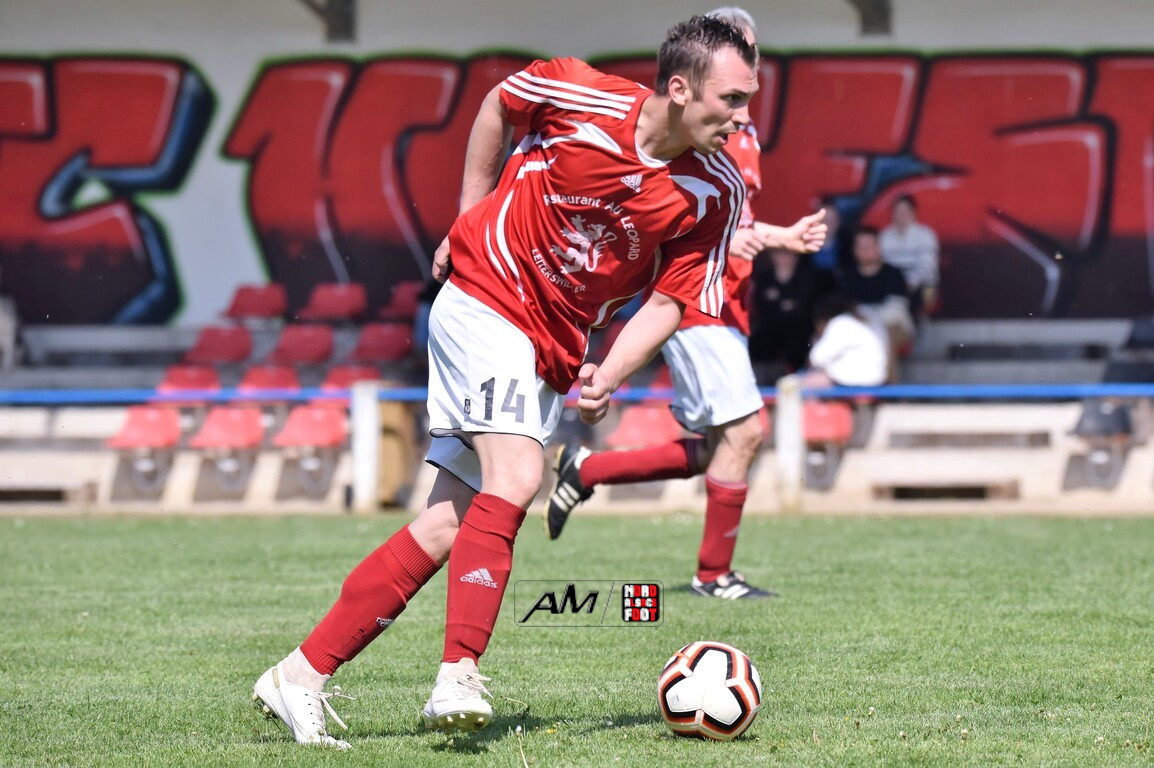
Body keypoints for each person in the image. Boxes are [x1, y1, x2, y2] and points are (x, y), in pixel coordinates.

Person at [252, 15, 770, 748]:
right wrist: (469, 216)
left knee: (446, 525)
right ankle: (458, 673)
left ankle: (298, 677)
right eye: (733, 99)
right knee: (519, 474)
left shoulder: (715, 192)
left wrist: (610, 371)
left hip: (550, 346)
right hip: (486, 296)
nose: (744, 117)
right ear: (680, 89)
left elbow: (668, 301)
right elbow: (499, 103)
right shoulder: (581, 93)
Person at [544, 6, 827, 601]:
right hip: (698, 300)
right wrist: (762, 238)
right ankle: (713, 576)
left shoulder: (738, 130)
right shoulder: (695, 132)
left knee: (719, 447)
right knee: (745, 433)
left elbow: (733, 220)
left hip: (729, 297)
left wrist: (778, 236)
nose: (748, 63)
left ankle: (587, 469)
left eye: (752, 52)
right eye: (738, 51)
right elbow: (680, 215)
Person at [837, 225, 913, 381]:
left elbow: (896, 312)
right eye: (860, 246)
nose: (864, 251)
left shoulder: (894, 274)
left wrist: (868, 320)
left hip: (893, 325)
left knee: (883, 339)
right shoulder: (846, 276)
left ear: (878, 248)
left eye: (869, 246)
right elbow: (843, 309)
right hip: (856, 326)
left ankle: (889, 390)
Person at [749, 246, 830, 376]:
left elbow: (809, 309)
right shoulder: (765, 278)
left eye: (788, 253)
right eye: (779, 252)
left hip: (801, 334)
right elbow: (761, 310)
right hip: (770, 335)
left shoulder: (809, 278)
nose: (784, 257)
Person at [800, 292, 889, 388]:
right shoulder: (871, 316)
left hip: (855, 384)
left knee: (803, 383)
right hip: (878, 381)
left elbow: (816, 358)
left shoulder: (841, 323)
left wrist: (816, 340)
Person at [878, 195, 940, 319]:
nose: (900, 215)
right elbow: (881, 264)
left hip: (922, 284)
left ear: (913, 213)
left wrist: (912, 282)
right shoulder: (884, 236)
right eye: (897, 211)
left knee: (918, 300)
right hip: (893, 284)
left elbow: (927, 265)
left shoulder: (925, 235)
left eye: (904, 211)